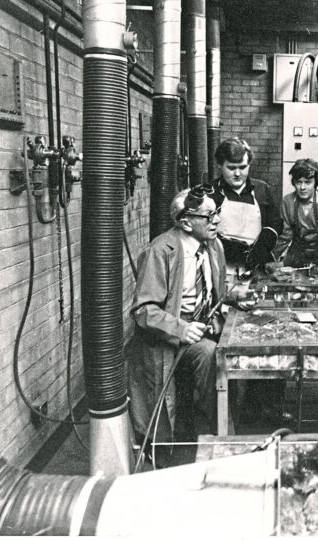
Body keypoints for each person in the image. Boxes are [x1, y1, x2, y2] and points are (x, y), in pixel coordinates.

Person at [124, 185, 227, 458]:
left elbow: (217, 290)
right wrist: (181, 328)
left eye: (216, 212)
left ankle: (215, 430)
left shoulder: (213, 245)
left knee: (230, 351)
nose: (216, 220)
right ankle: (204, 437)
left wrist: (233, 297)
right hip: (168, 335)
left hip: (203, 325)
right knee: (208, 354)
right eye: (208, 216)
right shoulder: (161, 251)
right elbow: (143, 309)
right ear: (185, 222)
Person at [211, 137, 283, 279]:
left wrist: (262, 246)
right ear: (220, 165)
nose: (237, 174)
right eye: (231, 168)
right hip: (220, 267)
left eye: (243, 167)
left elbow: (275, 223)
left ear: (249, 164)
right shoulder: (212, 192)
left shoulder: (262, 189)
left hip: (255, 268)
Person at [273, 159, 318, 267]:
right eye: (299, 182)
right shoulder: (287, 201)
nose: (302, 187)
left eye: (308, 182)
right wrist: (272, 257)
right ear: (294, 182)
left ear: (315, 182)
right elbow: (285, 235)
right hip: (296, 254)